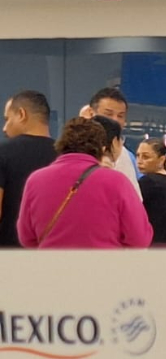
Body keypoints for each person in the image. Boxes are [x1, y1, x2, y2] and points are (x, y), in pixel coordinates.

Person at [17, 117, 152, 249]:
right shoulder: (117, 181)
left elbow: (26, 238)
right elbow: (139, 239)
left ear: (62, 144)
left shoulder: (35, 180)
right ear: (102, 148)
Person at [0, 90, 57, 248]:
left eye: (7, 119)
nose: (4, 128)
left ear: (21, 114)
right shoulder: (67, 156)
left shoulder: (3, 152)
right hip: (55, 257)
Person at [85, 87, 141, 194]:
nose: (115, 120)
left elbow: (134, 199)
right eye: (108, 114)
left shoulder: (125, 155)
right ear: (91, 113)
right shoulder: (75, 149)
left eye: (120, 116)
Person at [136, 138, 166, 244]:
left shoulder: (149, 182)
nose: (140, 161)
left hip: (152, 241)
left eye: (146, 157)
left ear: (161, 159)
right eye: (138, 155)